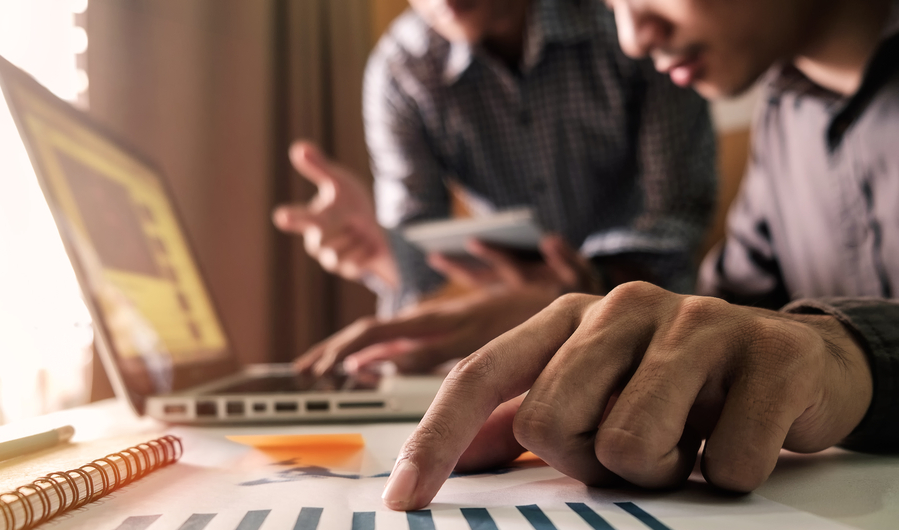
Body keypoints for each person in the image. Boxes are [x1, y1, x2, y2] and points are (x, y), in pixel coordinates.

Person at [380, 0, 899, 511]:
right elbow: (732, 309)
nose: (633, 38)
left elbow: (799, 345)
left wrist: (852, 359)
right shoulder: (785, 108)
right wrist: (642, 358)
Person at [273, 0, 716, 375]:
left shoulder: (631, 24)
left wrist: (586, 288)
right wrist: (382, 253)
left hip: (659, 330)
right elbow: (422, 274)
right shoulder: (402, 70)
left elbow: (671, 224)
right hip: (515, 331)